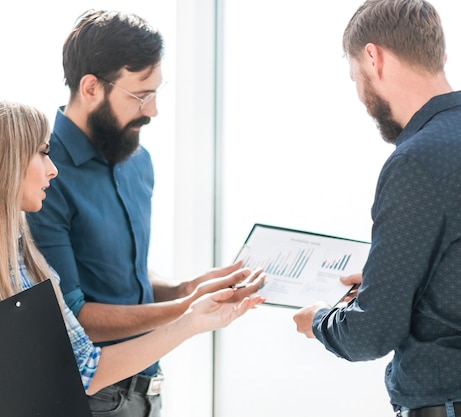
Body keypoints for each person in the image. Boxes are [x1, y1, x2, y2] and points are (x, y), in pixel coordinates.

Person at [293, 1, 461, 416]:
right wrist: (391, 282)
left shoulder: (416, 162)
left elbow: (371, 335)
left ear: (373, 57)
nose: (360, 94)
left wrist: (318, 321)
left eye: (354, 74)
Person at [25, 10, 264, 417]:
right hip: (91, 398)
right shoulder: (41, 175)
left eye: (156, 92)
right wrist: (188, 309)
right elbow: (73, 316)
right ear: (91, 88)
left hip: (148, 390)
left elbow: (123, 276)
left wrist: (188, 286)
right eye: (140, 95)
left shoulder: (137, 161)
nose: (152, 111)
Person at [1, 99, 264, 396]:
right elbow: (87, 371)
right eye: (42, 153)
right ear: (10, 161)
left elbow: (85, 366)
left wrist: (188, 299)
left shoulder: (27, 259)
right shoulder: (20, 263)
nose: (53, 170)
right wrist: (188, 314)